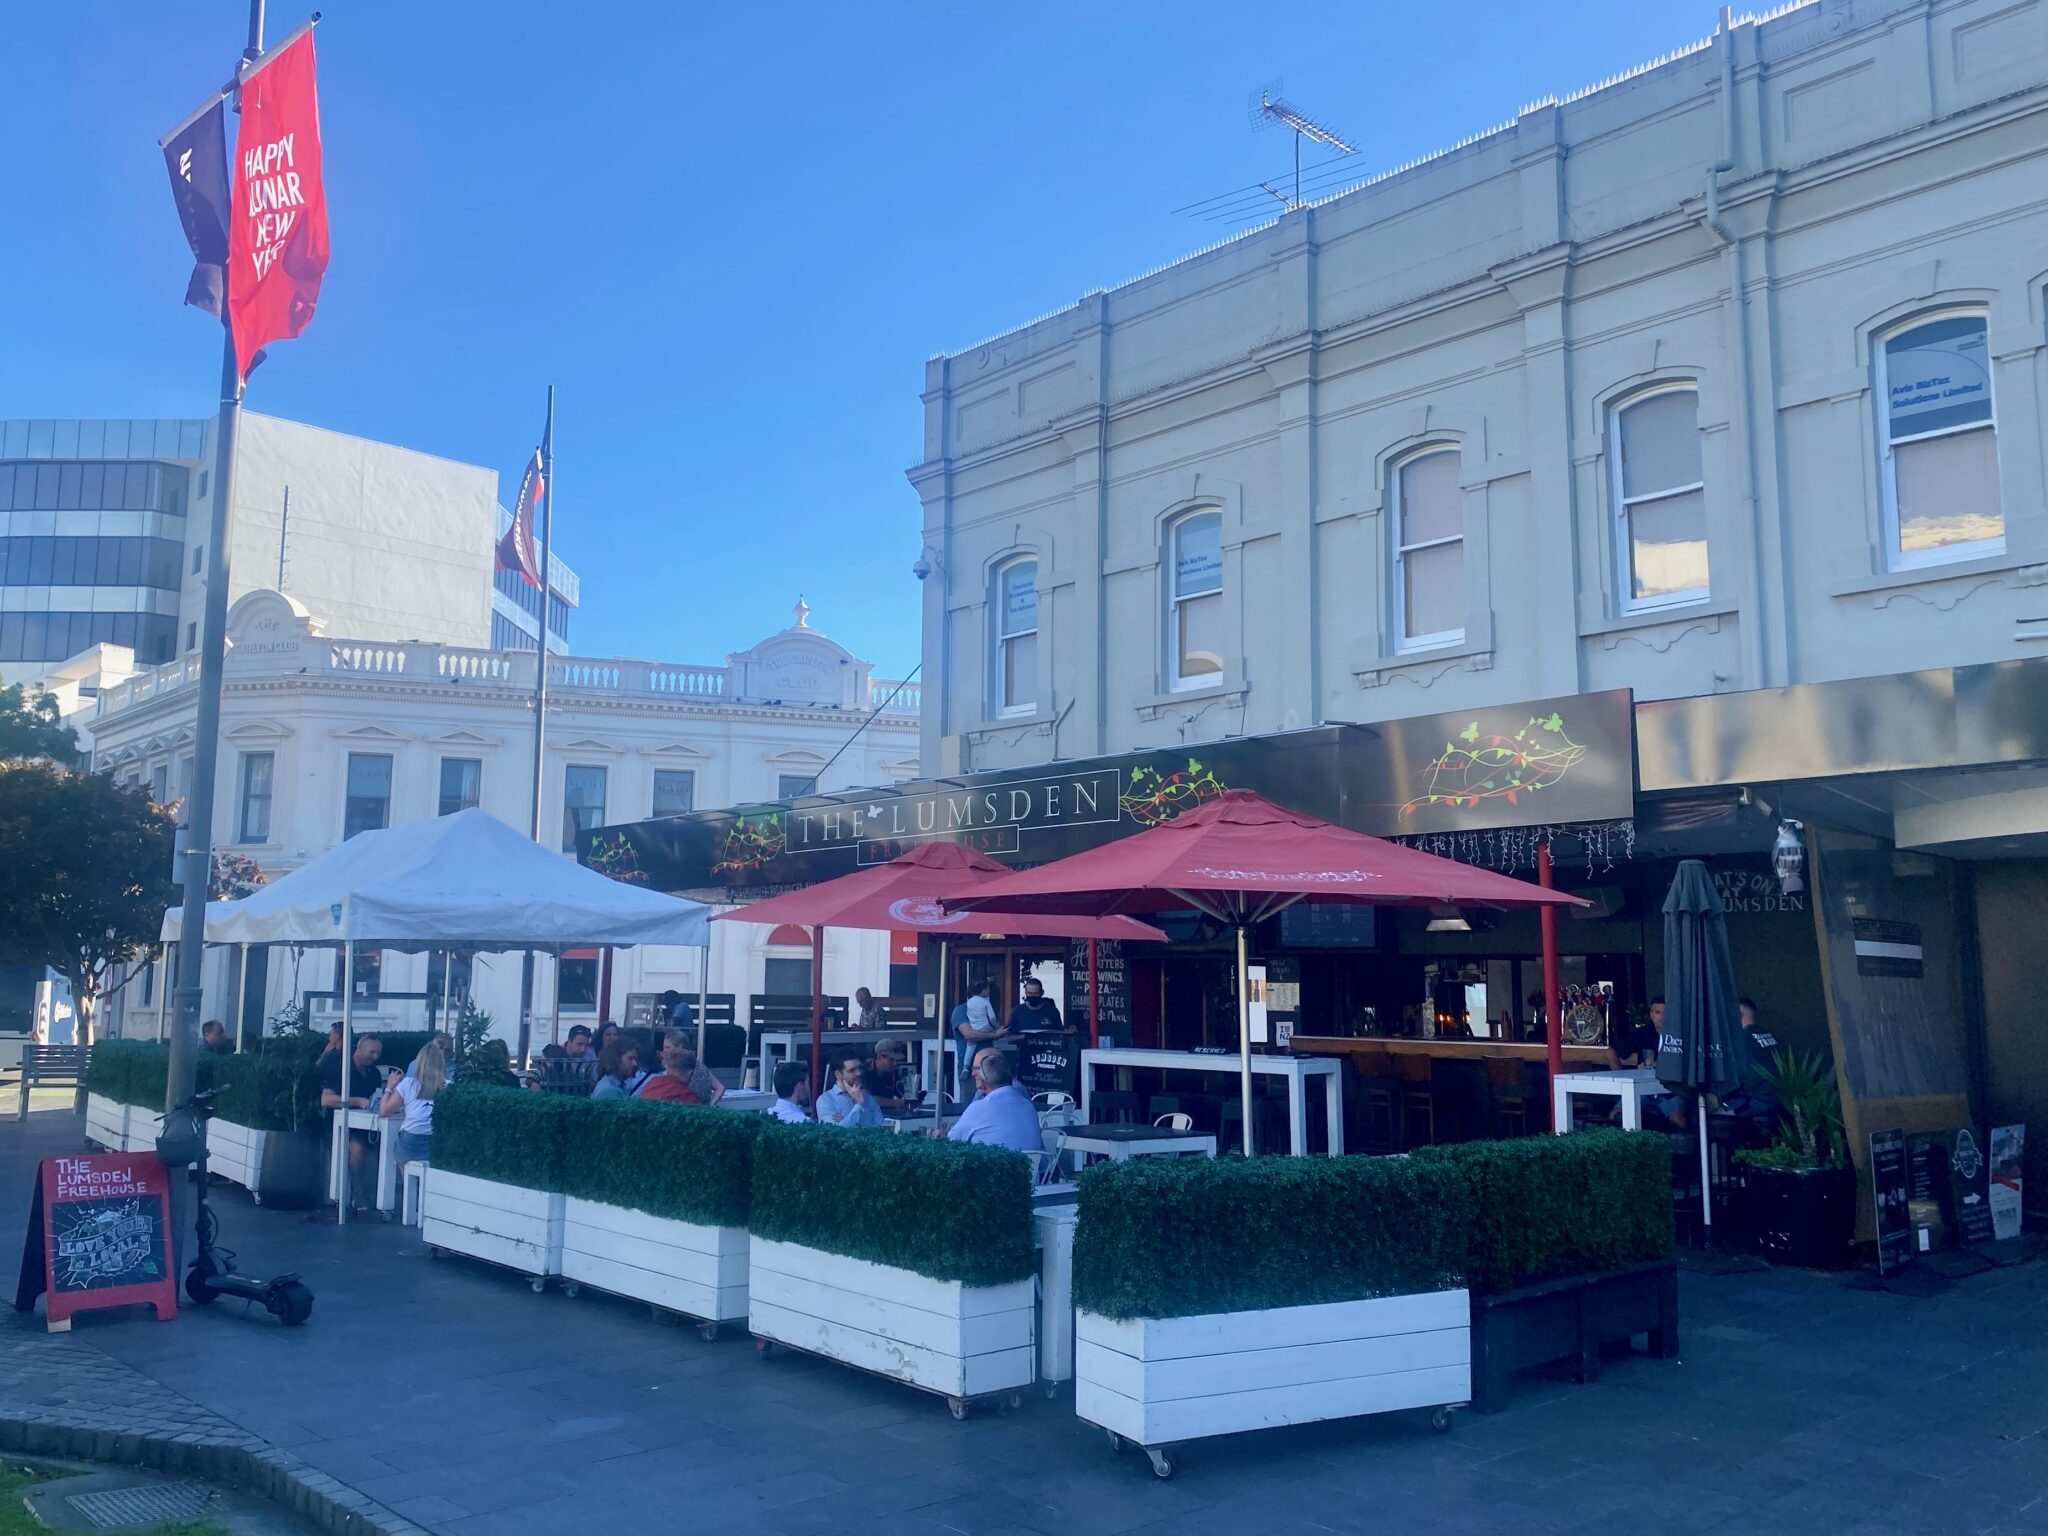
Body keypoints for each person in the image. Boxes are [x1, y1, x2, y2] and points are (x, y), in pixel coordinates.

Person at [320, 1032, 384, 1212]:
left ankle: (378, 1194)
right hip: (339, 1127)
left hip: (367, 1127)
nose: (375, 1057)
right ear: (359, 1048)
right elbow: (326, 1100)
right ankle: (358, 1192)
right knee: (357, 1149)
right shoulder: (341, 1069)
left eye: (378, 1053)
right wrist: (357, 1101)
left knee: (386, 1146)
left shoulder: (374, 1074)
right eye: (371, 1052)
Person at [944, 1051, 1043, 1155]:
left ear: (983, 1081)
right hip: (1033, 1165)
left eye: (977, 1069)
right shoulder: (1028, 1105)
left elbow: (952, 1141)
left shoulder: (979, 1108)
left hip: (996, 1164)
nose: (973, 1074)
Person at [382, 1039, 445, 1165]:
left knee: (406, 1170)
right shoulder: (449, 1086)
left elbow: (384, 1111)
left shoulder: (408, 1083)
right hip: (437, 1138)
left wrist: (389, 1087)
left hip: (411, 1138)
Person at [816, 1052, 884, 1128]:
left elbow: (882, 1129)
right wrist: (858, 1104)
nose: (859, 1073)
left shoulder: (869, 1099)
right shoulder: (826, 1100)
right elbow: (835, 1131)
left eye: (860, 1068)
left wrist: (846, 1120)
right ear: (838, 1075)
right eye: (852, 1070)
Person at [636, 1034, 703, 1104]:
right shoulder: (689, 1097)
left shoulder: (652, 1083)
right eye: (664, 1048)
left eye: (667, 1047)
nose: (664, 1051)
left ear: (680, 1047)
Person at [865, 1041, 907, 1113]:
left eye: (896, 1060)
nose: (895, 1063)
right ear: (879, 1056)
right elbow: (866, 1099)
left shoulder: (893, 1072)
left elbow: (902, 1094)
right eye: (891, 1059)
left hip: (888, 1115)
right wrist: (896, 1103)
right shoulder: (864, 1071)